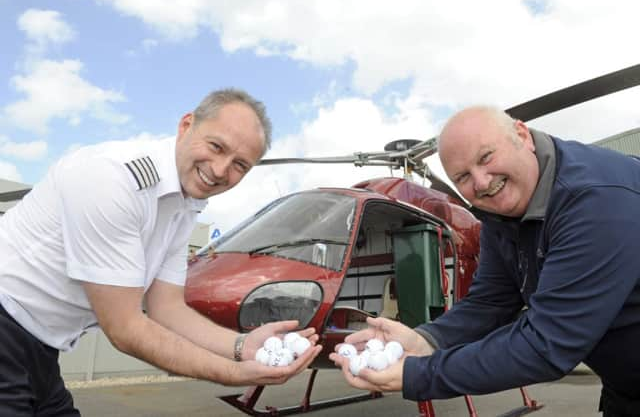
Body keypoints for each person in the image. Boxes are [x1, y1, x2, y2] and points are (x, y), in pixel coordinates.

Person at [0, 88, 322, 416]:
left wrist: (241, 347)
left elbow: (166, 308)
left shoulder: (182, 204)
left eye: (240, 164)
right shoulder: (113, 179)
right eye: (216, 146)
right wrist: (236, 374)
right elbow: (126, 328)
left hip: (39, 348)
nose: (222, 170)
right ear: (186, 125)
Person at [329, 106, 640, 416]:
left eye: (486, 157)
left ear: (522, 135)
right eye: (462, 176)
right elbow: (489, 302)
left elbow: (547, 345)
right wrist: (426, 340)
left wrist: (418, 373)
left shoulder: (595, 201)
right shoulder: (500, 213)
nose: (480, 182)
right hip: (624, 389)